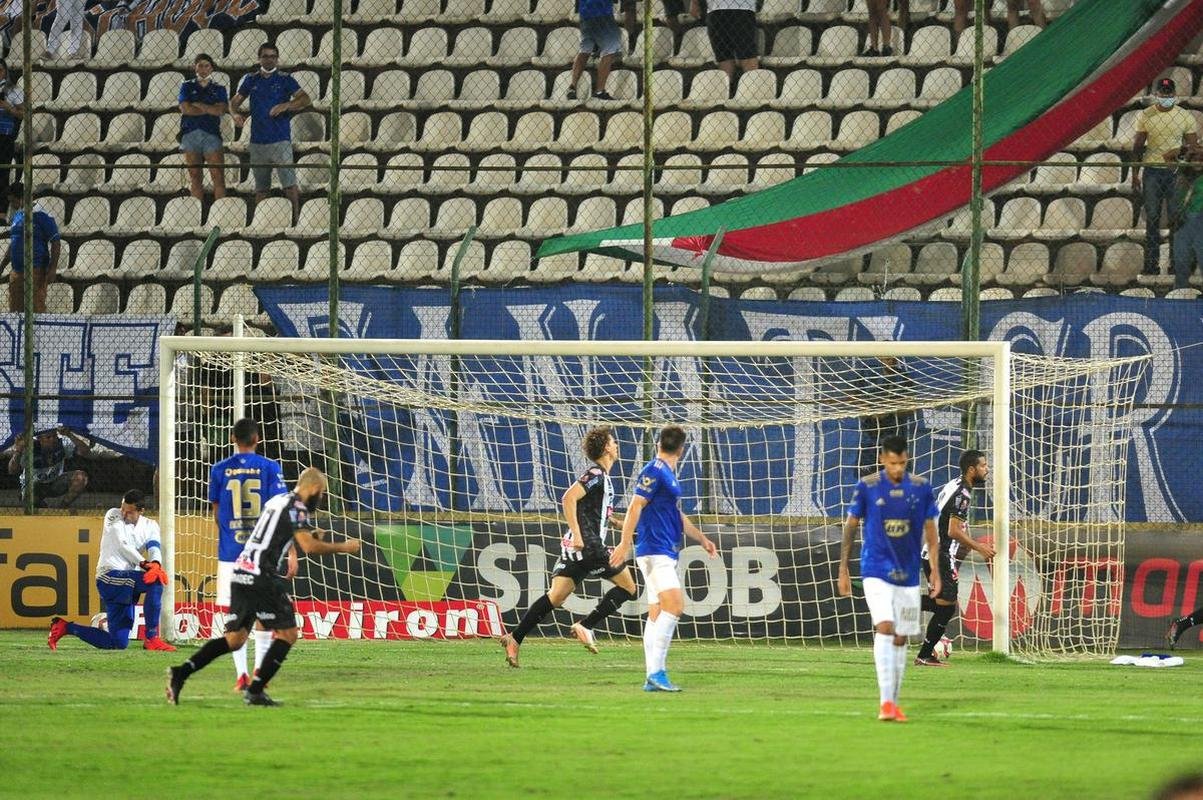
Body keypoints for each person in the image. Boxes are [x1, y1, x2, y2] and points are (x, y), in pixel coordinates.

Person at [166, 467, 360, 706]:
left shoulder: (277, 501)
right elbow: (309, 547)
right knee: (288, 634)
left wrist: (311, 532)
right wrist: (344, 547)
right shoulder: (297, 507)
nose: (320, 499)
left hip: (241, 572)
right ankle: (255, 691)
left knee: (234, 640)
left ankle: (180, 672)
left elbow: (277, 529)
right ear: (313, 488)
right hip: (261, 575)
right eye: (321, 494)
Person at [500, 426, 638, 667]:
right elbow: (568, 498)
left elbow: (594, 512)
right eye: (613, 442)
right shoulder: (595, 473)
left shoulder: (603, 479)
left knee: (556, 596)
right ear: (606, 448)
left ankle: (515, 637)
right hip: (587, 546)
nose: (616, 445)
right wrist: (578, 534)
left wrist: (617, 523)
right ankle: (586, 625)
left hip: (575, 548)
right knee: (629, 587)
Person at [837, 435, 940, 722]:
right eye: (893, 463)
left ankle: (893, 702)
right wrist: (843, 568)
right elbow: (851, 525)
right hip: (875, 570)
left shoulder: (921, 487)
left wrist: (935, 570)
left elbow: (932, 532)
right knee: (885, 626)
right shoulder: (868, 486)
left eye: (902, 463)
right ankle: (885, 703)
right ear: (882, 459)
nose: (897, 469)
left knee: (901, 635)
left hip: (908, 574)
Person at [610, 425, 718, 692]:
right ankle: (657, 673)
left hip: (660, 550)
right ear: (681, 449)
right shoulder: (655, 470)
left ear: (659, 443)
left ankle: (651, 676)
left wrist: (701, 538)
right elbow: (635, 505)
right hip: (655, 550)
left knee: (657, 612)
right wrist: (624, 542)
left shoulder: (666, 474)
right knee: (675, 606)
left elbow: (675, 515)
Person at [208, 417, 288, 691]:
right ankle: (259, 674)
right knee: (266, 615)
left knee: (236, 616)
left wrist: (232, 536)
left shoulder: (218, 469)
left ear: (232, 438)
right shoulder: (270, 468)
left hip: (231, 554)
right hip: (262, 555)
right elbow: (281, 512)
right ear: (257, 439)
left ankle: (241, 675)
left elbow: (217, 513)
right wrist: (290, 551)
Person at [47, 489, 177, 652]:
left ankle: (65, 627)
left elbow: (154, 547)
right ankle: (152, 638)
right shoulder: (113, 515)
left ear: (141, 511)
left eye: (129, 511)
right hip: (109, 576)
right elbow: (123, 545)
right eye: (123, 508)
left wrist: (156, 564)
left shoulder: (150, 526)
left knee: (118, 643)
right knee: (155, 581)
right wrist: (145, 565)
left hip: (126, 583)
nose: (124, 513)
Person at [913, 449, 996, 666]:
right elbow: (953, 530)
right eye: (983, 466)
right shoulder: (963, 495)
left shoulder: (955, 484)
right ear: (972, 469)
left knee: (943, 604)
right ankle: (924, 655)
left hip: (933, 551)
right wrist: (979, 547)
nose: (987, 469)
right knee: (947, 607)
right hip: (940, 554)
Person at [229, 43, 310, 223]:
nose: (269, 59)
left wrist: (286, 105)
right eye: (265, 56)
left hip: (280, 139)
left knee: (289, 184)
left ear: (277, 59)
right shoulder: (251, 79)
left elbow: (305, 99)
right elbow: (234, 101)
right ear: (259, 58)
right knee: (261, 188)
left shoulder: (285, 79)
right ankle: (260, 221)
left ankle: (295, 219)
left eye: (273, 56)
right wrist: (234, 114)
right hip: (257, 141)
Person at [1134, 78, 1198, 277]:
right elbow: (1138, 146)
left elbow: (1193, 147)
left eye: (1169, 93)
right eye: (1163, 93)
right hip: (1152, 171)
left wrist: (1181, 161)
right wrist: (1135, 173)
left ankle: (1175, 265)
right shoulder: (1146, 115)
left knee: (1175, 220)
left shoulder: (1185, 116)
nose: (1166, 96)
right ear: (1156, 94)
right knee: (1152, 219)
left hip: (1175, 172)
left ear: (1174, 94)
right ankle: (1151, 265)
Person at [178, 53, 228, 201]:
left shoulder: (219, 88)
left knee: (218, 176)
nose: (203, 69)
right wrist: (209, 109)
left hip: (211, 133)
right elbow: (185, 109)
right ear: (195, 67)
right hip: (190, 133)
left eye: (207, 66)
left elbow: (220, 110)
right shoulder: (187, 86)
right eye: (200, 66)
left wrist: (199, 106)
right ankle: (196, 211)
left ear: (211, 68)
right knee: (195, 177)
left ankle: (220, 210)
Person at [4, 181, 60, 312]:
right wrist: (2, 265)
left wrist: (52, 268)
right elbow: (14, 242)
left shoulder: (42, 215)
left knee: (36, 310)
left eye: (13, 201)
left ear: (22, 198)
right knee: (15, 311)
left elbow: (56, 242)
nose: (12, 205)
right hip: (16, 271)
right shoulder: (18, 215)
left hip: (36, 271)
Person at [7, 425, 90, 508]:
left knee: (81, 477)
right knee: (32, 495)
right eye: (48, 437)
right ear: (40, 439)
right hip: (34, 486)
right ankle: (40, 505)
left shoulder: (61, 444)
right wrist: (18, 451)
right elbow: (12, 470)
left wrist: (70, 435)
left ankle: (62, 508)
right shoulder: (30, 449)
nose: (53, 440)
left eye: (55, 436)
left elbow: (85, 452)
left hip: (55, 482)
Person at [567, 0, 620, 101]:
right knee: (609, 51)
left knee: (585, 49)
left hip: (586, 13)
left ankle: (572, 87)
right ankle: (599, 91)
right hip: (602, 13)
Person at [696, 0, 758, 78]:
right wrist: (694, 3)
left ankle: (753, 83)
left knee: (747, 54)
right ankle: (727, 84)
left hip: (743, 7)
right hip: (715, 8)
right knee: (724, 56)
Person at [1170, 143, 1203, 290]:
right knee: (1181, 264)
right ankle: (1179, 294)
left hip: (1200, 220)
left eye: (1201, 159)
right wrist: (1187, 151)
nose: (1198, 161)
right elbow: (1167, 157)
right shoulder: (1182, 174)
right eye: (1195, 158)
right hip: (1183, 222)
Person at [0, 60, 24, 217]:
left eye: (0, 70)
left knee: (3, 173)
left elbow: (23, 113)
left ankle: (1, 212)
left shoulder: (14, 90)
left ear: (5, 72)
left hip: (5, 135)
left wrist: (8, 107)